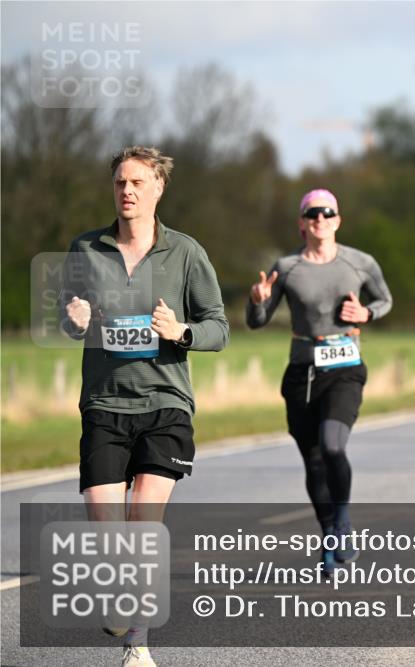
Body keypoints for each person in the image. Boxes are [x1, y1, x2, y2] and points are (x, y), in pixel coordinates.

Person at [59, 146, 230, 667]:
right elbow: (66, 323)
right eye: (119, 183)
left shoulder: (186, 253)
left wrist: (180, 332)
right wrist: (76, 319)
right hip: (104, 404)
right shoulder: (86, 249)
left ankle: (138, 645)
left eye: (136, 182)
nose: (127, 191)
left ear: (158, 188)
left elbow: (218, 328)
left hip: (165, 404)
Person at [246, 189, 392, 574]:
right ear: (301, 222)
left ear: (338, 220)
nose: (320, 219)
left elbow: (385, 300)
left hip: (345, 366)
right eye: (312, 214)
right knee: (312, 461)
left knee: (332, 445)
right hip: (302, 372)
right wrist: (257, 300)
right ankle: (328, 535)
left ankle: (342, 524)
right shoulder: (288, 267)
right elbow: (257, 321)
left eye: (328, 213)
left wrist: (365, 313)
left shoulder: (360, 262)